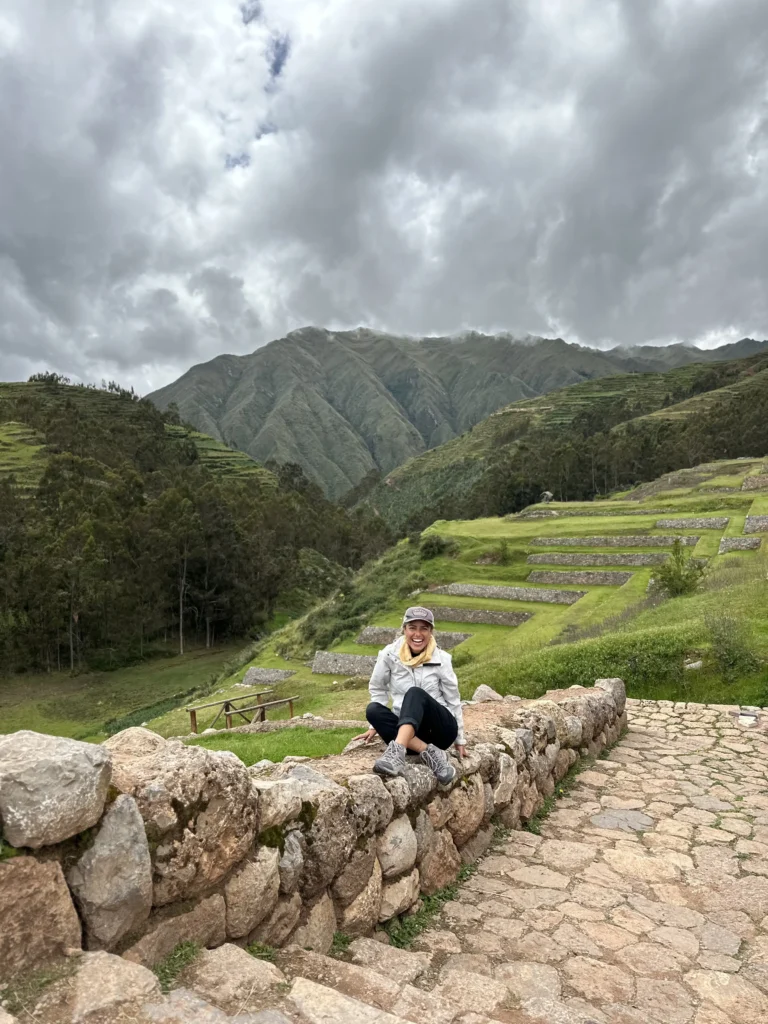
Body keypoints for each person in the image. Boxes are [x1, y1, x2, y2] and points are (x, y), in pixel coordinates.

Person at [352, 606, 467, 784]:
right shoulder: (389, 654)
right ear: (404, 629)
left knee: (414, 693)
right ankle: (430, 754)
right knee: (373, 710)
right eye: (412, 628)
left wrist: (460, 739)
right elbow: (377, 688)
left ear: (431, 632)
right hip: (410, 736)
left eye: (424, 628)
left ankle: (396, 751)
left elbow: (453, 700)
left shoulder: (442, 659)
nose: (418, 634)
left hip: (440, 731)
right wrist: (374, 725)